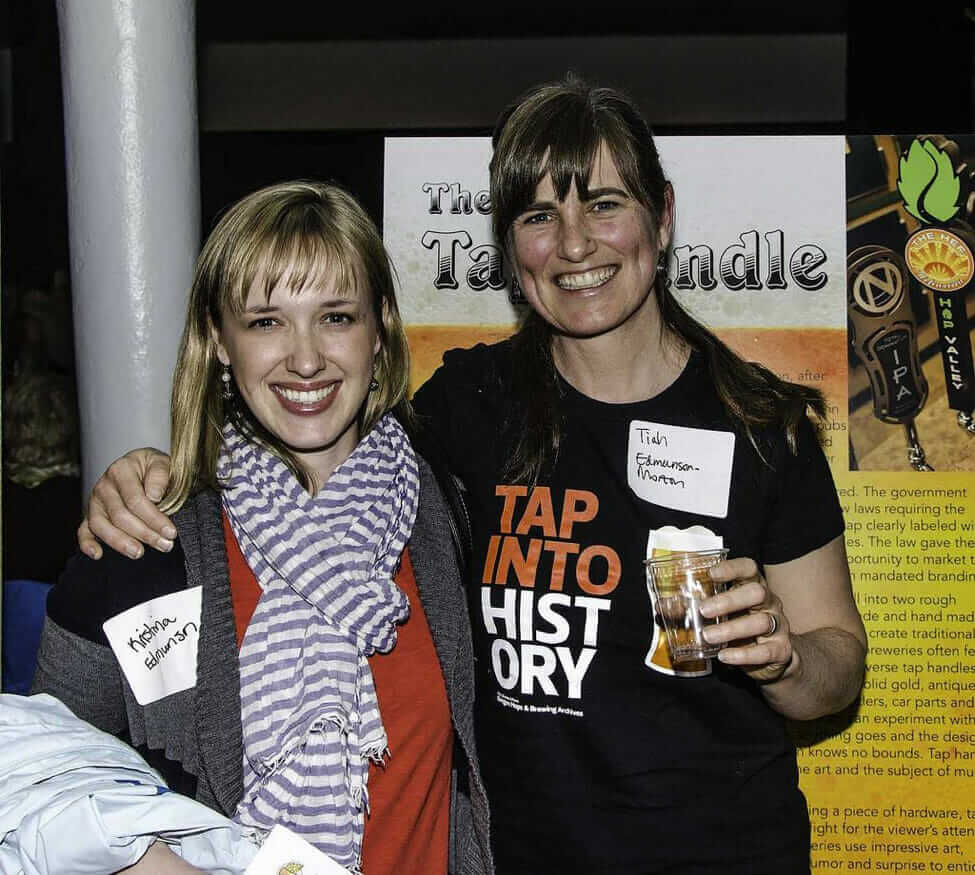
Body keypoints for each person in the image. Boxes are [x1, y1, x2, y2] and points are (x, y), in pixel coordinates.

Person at [76, 79, 866, 873]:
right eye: (537, 216)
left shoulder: (760, 424)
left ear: (660, 216)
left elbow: (840, 661)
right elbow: (316, 438)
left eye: (601, 204)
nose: (574, 244)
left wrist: (788, 659)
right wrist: (154, 471)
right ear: (508, 245)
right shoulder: (468, 409)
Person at [33, 181, 492, 875]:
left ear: (381, 330)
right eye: (265, 322)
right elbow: (36, 776)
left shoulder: (443, 513)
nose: (304, 358)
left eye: (336, 316)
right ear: (218, 340)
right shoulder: (141, 547)